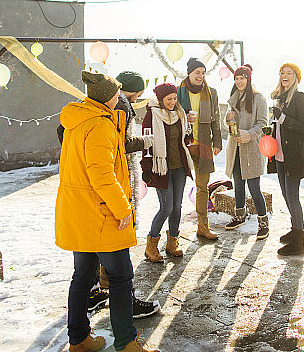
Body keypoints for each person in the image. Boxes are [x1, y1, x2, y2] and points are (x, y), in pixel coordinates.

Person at [56, 70, 157, 352]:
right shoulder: (99, 125)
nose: (119, 98)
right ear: (108, 98)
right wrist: (123, 209)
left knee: (83, 276)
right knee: (121, 276)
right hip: (101, 214)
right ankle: (126, 342)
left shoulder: (77, 120)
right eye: (116, 94)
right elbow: (102, 175)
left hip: (80, 211)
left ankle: (78, 340)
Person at [141, 82, 196, 262]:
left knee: (177, 207)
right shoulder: (151, 116)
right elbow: (147, 144)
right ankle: (151, 245)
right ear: (160, 99)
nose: (173, 102)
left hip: (179, 167)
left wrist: (190, 133)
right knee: (166, 208)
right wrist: (147, 167)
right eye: (168, 99)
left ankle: (173, 242)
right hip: (161, 168)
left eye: (174, 98)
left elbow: (186, 137)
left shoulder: (180, 114)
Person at [268, 63, 304, 256]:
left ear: (296, 77)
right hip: (279, 155)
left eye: (289, 73)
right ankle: (295, 228)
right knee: (286, 195)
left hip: (293, 157)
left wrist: (283, 118)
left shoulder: (299, 97)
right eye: (282, 73)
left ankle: (298, 242)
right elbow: (279, 126)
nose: (284, 75)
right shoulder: (280, 98)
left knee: (293, 198)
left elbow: (303, 127)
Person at [177, 57, 222, 240]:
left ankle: (203, 226)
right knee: (177, 187)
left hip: (203, 143)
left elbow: (216, 119)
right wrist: (184, 119)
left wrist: (217, 142)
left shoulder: (211, 92)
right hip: (182, 144)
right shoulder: (178, 92)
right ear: (189, 73)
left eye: (203, 73)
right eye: (197, 72)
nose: (201, 76)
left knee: (202, 187)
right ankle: (174, 233)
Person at [224, 64, 270, 240]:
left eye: (242, 78)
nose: (239, 81)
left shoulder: (259, 99)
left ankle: (263, 223)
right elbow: (228, 126)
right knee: (238, 183)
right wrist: (227, 121)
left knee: (254, 187)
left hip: (251, 149)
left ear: (248, 79)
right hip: (235, 148)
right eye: (236, 78)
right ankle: (239, 215)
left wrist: (249, 135)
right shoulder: (233, 98)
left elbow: (263, 123)